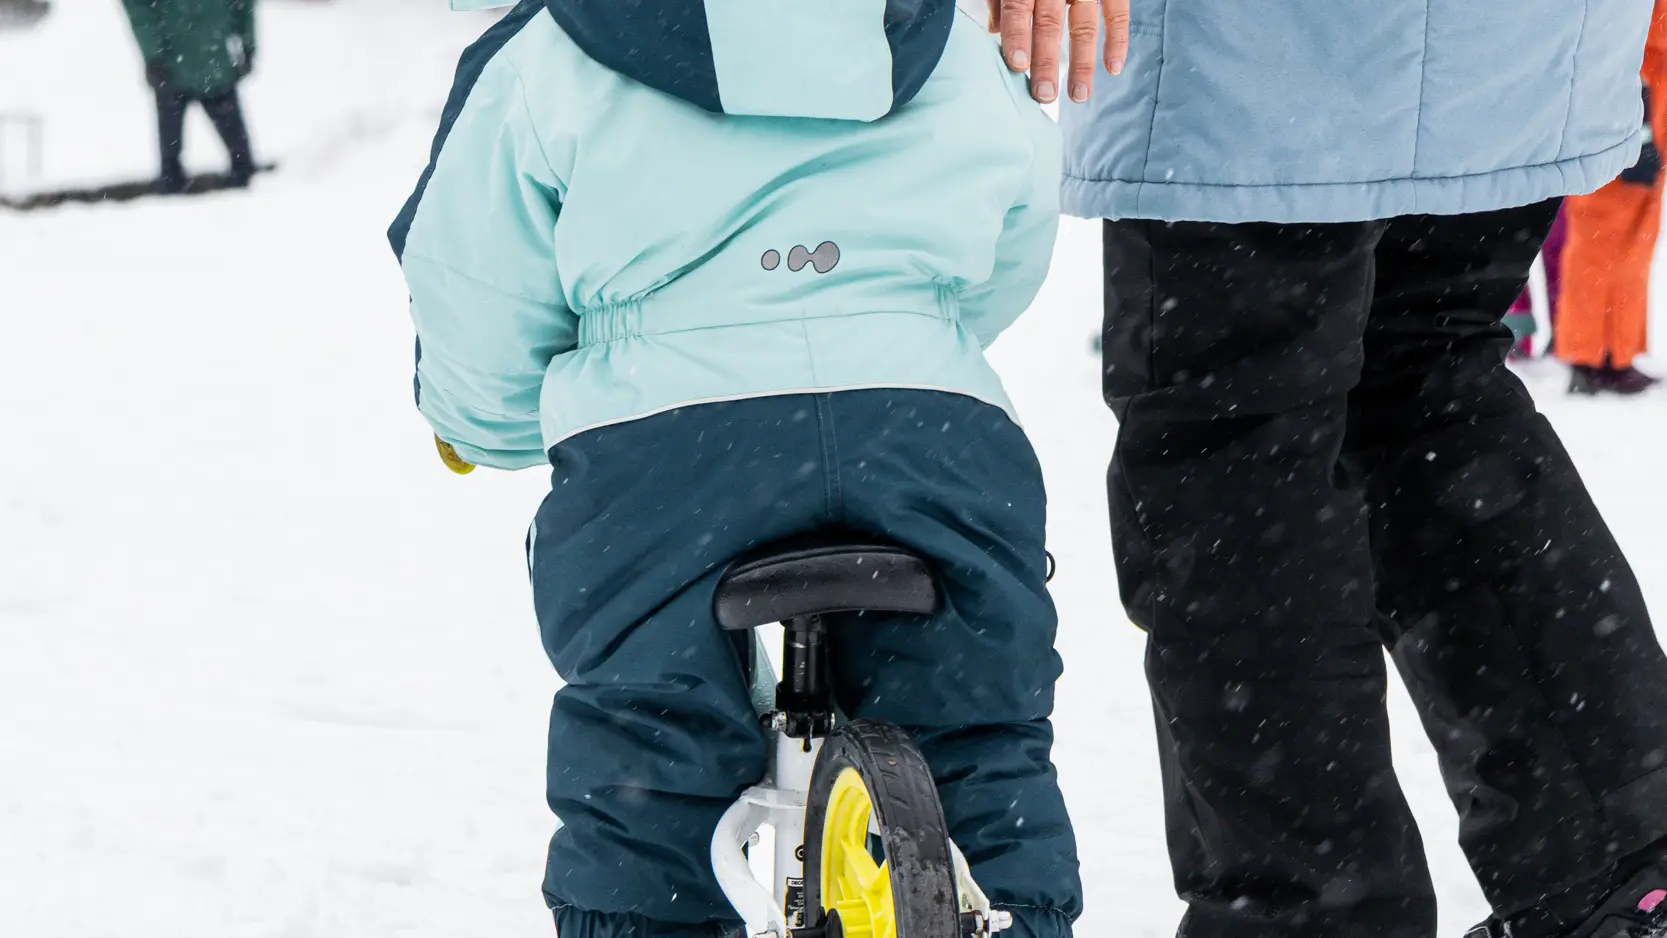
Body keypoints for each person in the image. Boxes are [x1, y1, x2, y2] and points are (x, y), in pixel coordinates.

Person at [389, 2, 1081, 936]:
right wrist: (904, 336)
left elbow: (473, 283)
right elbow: (1017, 226)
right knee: (972, 725)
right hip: (927, 435)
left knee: (650, 745)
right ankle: (1008, 914)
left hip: (662, 455)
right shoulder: (947, 31)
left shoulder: (545, 52)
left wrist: (482, 424)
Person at [1055, 0, 1667, 936]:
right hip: (1518, 48)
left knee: (1235, 442)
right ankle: (1618, 868)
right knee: (1426, 387)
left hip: (1263, 66)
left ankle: (1315, 911)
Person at [1557, 5, 1667, 395]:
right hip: (1622, 118)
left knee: (1632, 250)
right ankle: (1585, 354)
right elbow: (1634, 40)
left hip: (1644, 121)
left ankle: (1614, 353)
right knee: (1598, 244)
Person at [120, 0, 256, 193]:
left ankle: (242, 181)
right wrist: (153, 55)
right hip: (182, 66)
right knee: (172, 160)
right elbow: (139, 10)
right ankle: (173, 184)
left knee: (241, 160)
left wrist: (248, 43)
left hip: (207, 64)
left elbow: (243, 5)